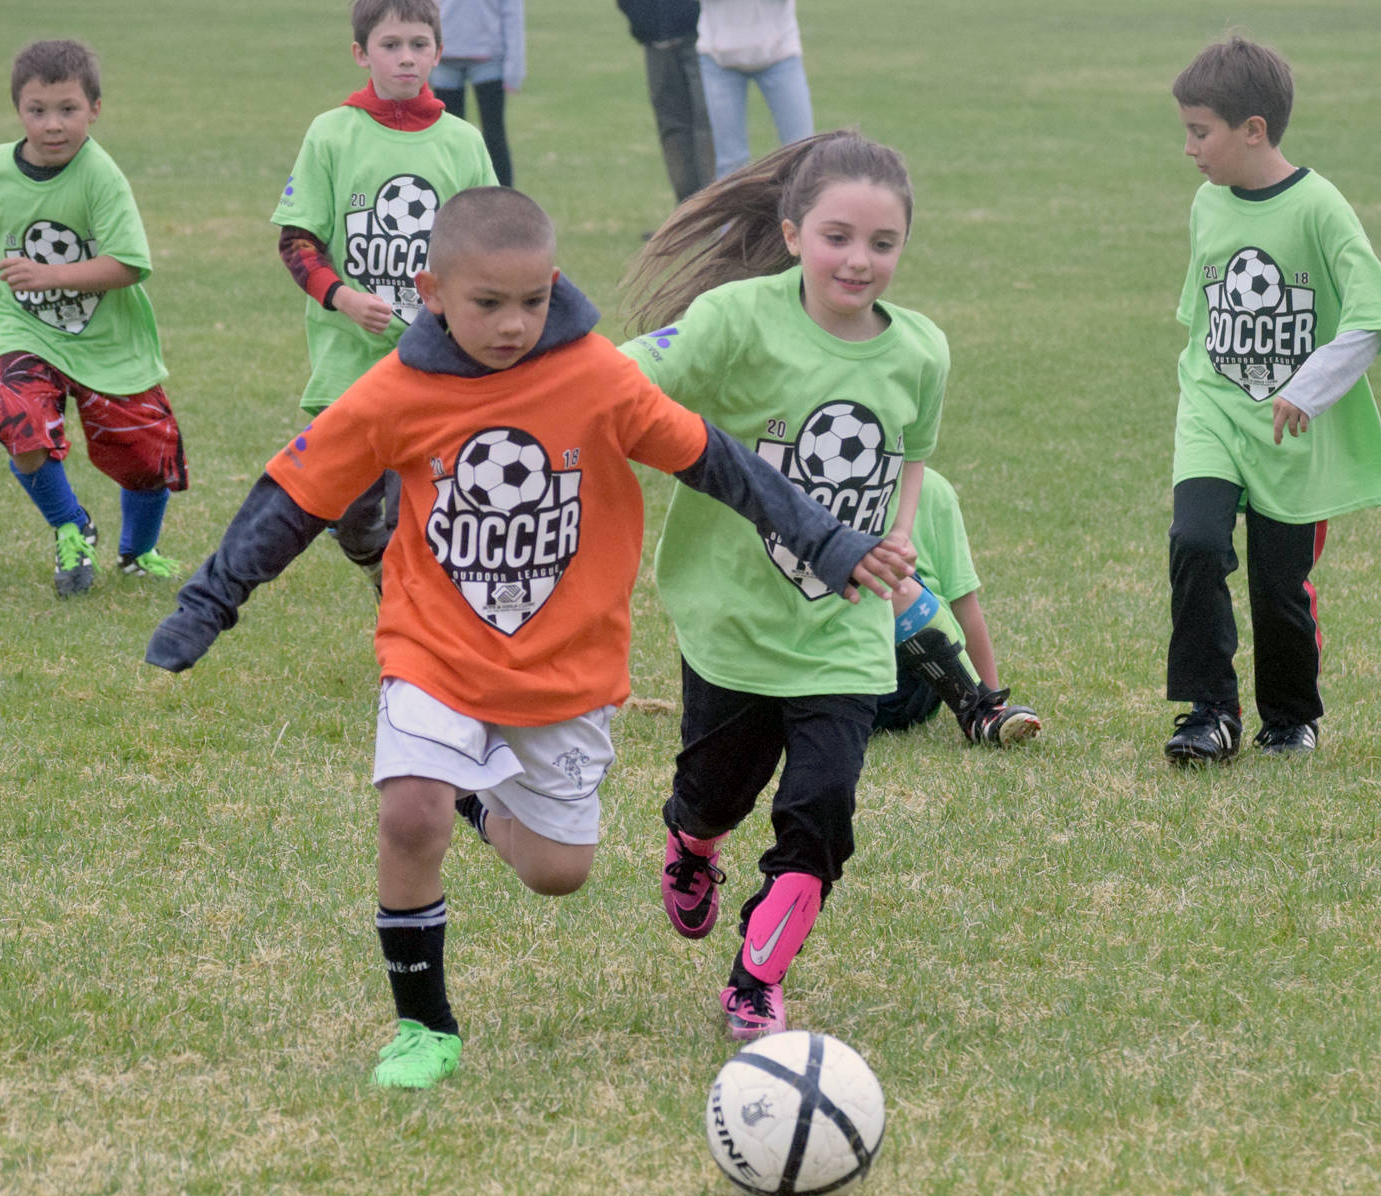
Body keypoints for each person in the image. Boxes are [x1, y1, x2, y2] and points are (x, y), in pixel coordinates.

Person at [145, 186, 912, 1091]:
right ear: (430, 289)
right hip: (434, 652)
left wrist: (826, 540)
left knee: (557, 871)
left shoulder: (594, 377)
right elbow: (292, 500)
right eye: (487, 304)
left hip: (565, 671)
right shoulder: (394, 392)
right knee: (408, 812)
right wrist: (208, 603)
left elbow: (720, 463)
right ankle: (424, 1026)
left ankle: (477, 800)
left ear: (554, 282)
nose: (513, 325)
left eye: (532, 301)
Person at [621, 131, 1018, 1041]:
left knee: (823, 811)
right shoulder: (734, 318)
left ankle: (756, 979)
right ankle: (691, 840)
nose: (859, 260)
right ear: (794, 232)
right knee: (717, 791)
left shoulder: (920, 349)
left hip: (842, 627)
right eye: (837, 237)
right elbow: (631, 373)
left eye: (882, 244)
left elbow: (910, 455)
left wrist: (902, 531)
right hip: (733, 619)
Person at [1163, 36, 1381, 765]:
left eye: (1199, 131)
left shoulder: (1318, 206)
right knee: (1195, 543)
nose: (1188, 148)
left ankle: (1289, 717)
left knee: (1279, 585)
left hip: (1291, 430)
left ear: (1253, 130)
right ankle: (1208, 711)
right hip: (1213, 409)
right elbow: (1205, 320)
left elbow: (1373, 314)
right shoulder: (1206, 205)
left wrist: (1308, 387)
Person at [0, 38, 187, 598]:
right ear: (17, 109)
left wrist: (50, 276)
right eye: (36, 110)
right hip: (23, 331)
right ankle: (71, 524)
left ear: (95, 109)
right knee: (19, 422)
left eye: (68, 110)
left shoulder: (101, 176)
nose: (52, 125)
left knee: (145, 457)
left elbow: (129, 265)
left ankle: (139, 553)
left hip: (105, 340)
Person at [274, 0, 496, 591]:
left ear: (438, 53)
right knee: (353, 519)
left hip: (436, 363)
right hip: (349, 364)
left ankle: (412, 631)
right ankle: (385, 579)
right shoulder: (331, 134)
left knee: (414, 517)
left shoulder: (463, 142)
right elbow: (297, 243)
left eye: (419, 45)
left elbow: (490, 246)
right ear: (360, 53)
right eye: (391, 44)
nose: (406, 57)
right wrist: (344, 298)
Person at [871, 467, 1042, 744]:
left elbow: (965, 606)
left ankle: (978, 711)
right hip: (845, 666)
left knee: (889, 569)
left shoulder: (934, 489)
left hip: (918, 673)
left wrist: (992, 705)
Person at [694, 0, 813, 180]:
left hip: (780, 53)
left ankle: (802, 207)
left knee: (802, 151)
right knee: (731, 161)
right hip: (719, 58)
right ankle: (731, 208)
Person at [617, 0, 714, 205]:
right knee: (672, 130)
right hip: (655, 41)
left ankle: (714, 212)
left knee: (708, 126)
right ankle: (685, 215)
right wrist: (641, 19)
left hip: (699, 37)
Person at [429, 0, 524, 187]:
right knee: (448, 138)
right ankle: (452, 197)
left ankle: (504, 199)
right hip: (444, 58)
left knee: (494, 133)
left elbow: (512, 14)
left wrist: (515, 67)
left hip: (488, 58)